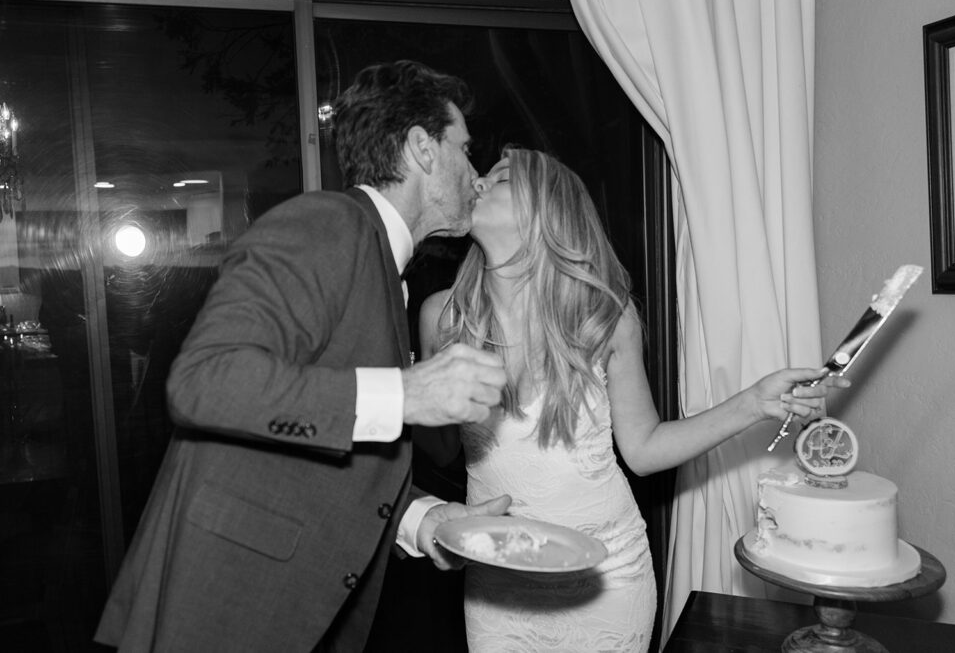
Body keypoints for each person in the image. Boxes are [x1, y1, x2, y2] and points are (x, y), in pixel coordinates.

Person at [94, 60, 512, 653]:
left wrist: (427, 521)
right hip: (227, 608)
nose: (475, 175)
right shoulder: (327, 224)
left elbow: (322, 453)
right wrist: (408, 393)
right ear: (422, 148)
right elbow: (205, 382)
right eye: (465, 151)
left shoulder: (385, 264)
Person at [417, 148, 849, 652]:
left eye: (503, 178)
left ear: (547, 211)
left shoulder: (604, 317)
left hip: (607, 576)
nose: (480, 182)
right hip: (498, 586)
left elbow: (643, 450)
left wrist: (754, 402)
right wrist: (413, 399)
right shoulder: (441, 318)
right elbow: (440, 451)